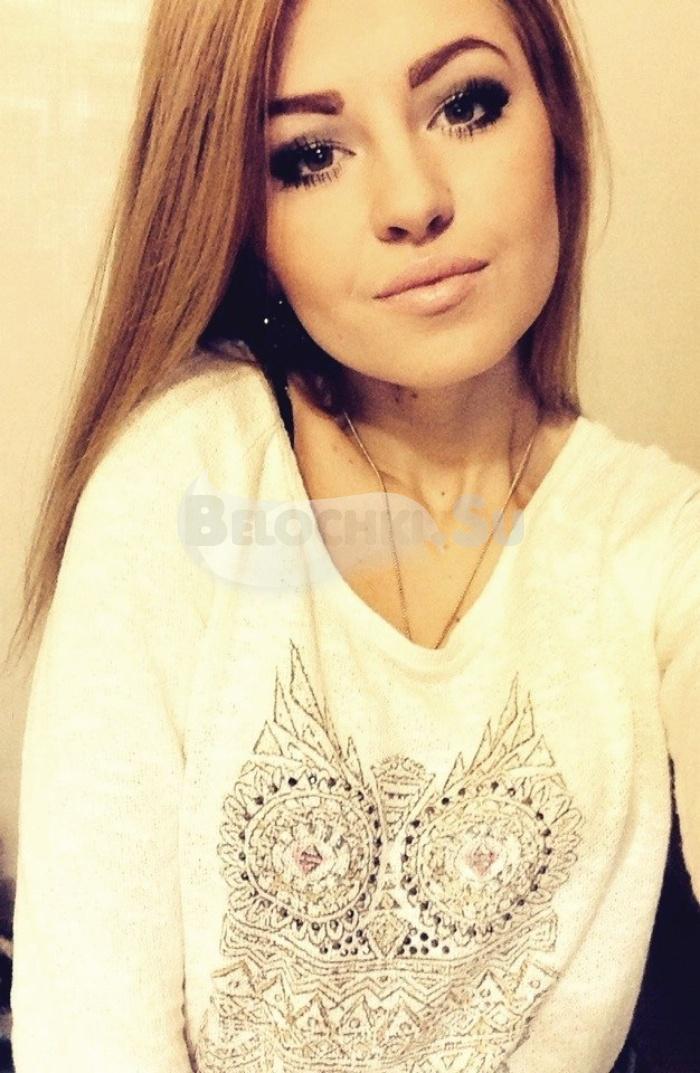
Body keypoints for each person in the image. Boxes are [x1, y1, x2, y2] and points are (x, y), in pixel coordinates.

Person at [7, 0, 699, 1070]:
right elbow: (88, 1030)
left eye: (466, 104)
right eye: (311, 155)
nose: (414, 201)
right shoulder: (187, 474)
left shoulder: (655, 541)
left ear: (555, 121)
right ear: (245, 216)